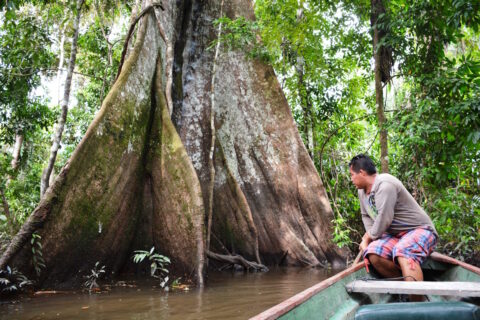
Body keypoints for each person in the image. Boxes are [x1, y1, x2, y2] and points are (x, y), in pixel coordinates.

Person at [349, 154, 438, 301]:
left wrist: (368, 236)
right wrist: (371, 238)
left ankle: (418, 307)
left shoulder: (385, 184)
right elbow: (366, 215)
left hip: (419, 229)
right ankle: (408, 289)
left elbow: (385, 218)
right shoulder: (361, 192)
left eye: (352, 175)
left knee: (404, 251)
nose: (351, 179)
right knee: (373, 253)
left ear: (362, 173)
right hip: (394, 234)